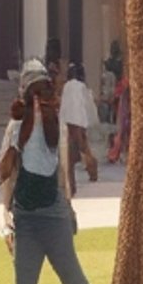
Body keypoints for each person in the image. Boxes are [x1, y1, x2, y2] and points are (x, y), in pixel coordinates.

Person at [0, 62, 93, 284]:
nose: (40, 100)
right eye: (35, 93)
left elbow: (62, 174)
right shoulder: (16, 127)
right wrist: (6, 221)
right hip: (26, 219)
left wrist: (69, 208)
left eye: (44, 93)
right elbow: (6, 176)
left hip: (54, 215)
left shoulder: (57, 127)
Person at [57, 63, 100, 193]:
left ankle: (72, 183)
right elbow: (88, 104)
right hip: (80, 121)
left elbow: (64, 106)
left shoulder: (66, 86)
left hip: (69, 123)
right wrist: (92, 119)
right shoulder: (82, 87)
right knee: (84, 148)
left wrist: (61, 120)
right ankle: (92, 170)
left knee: (70, 154)